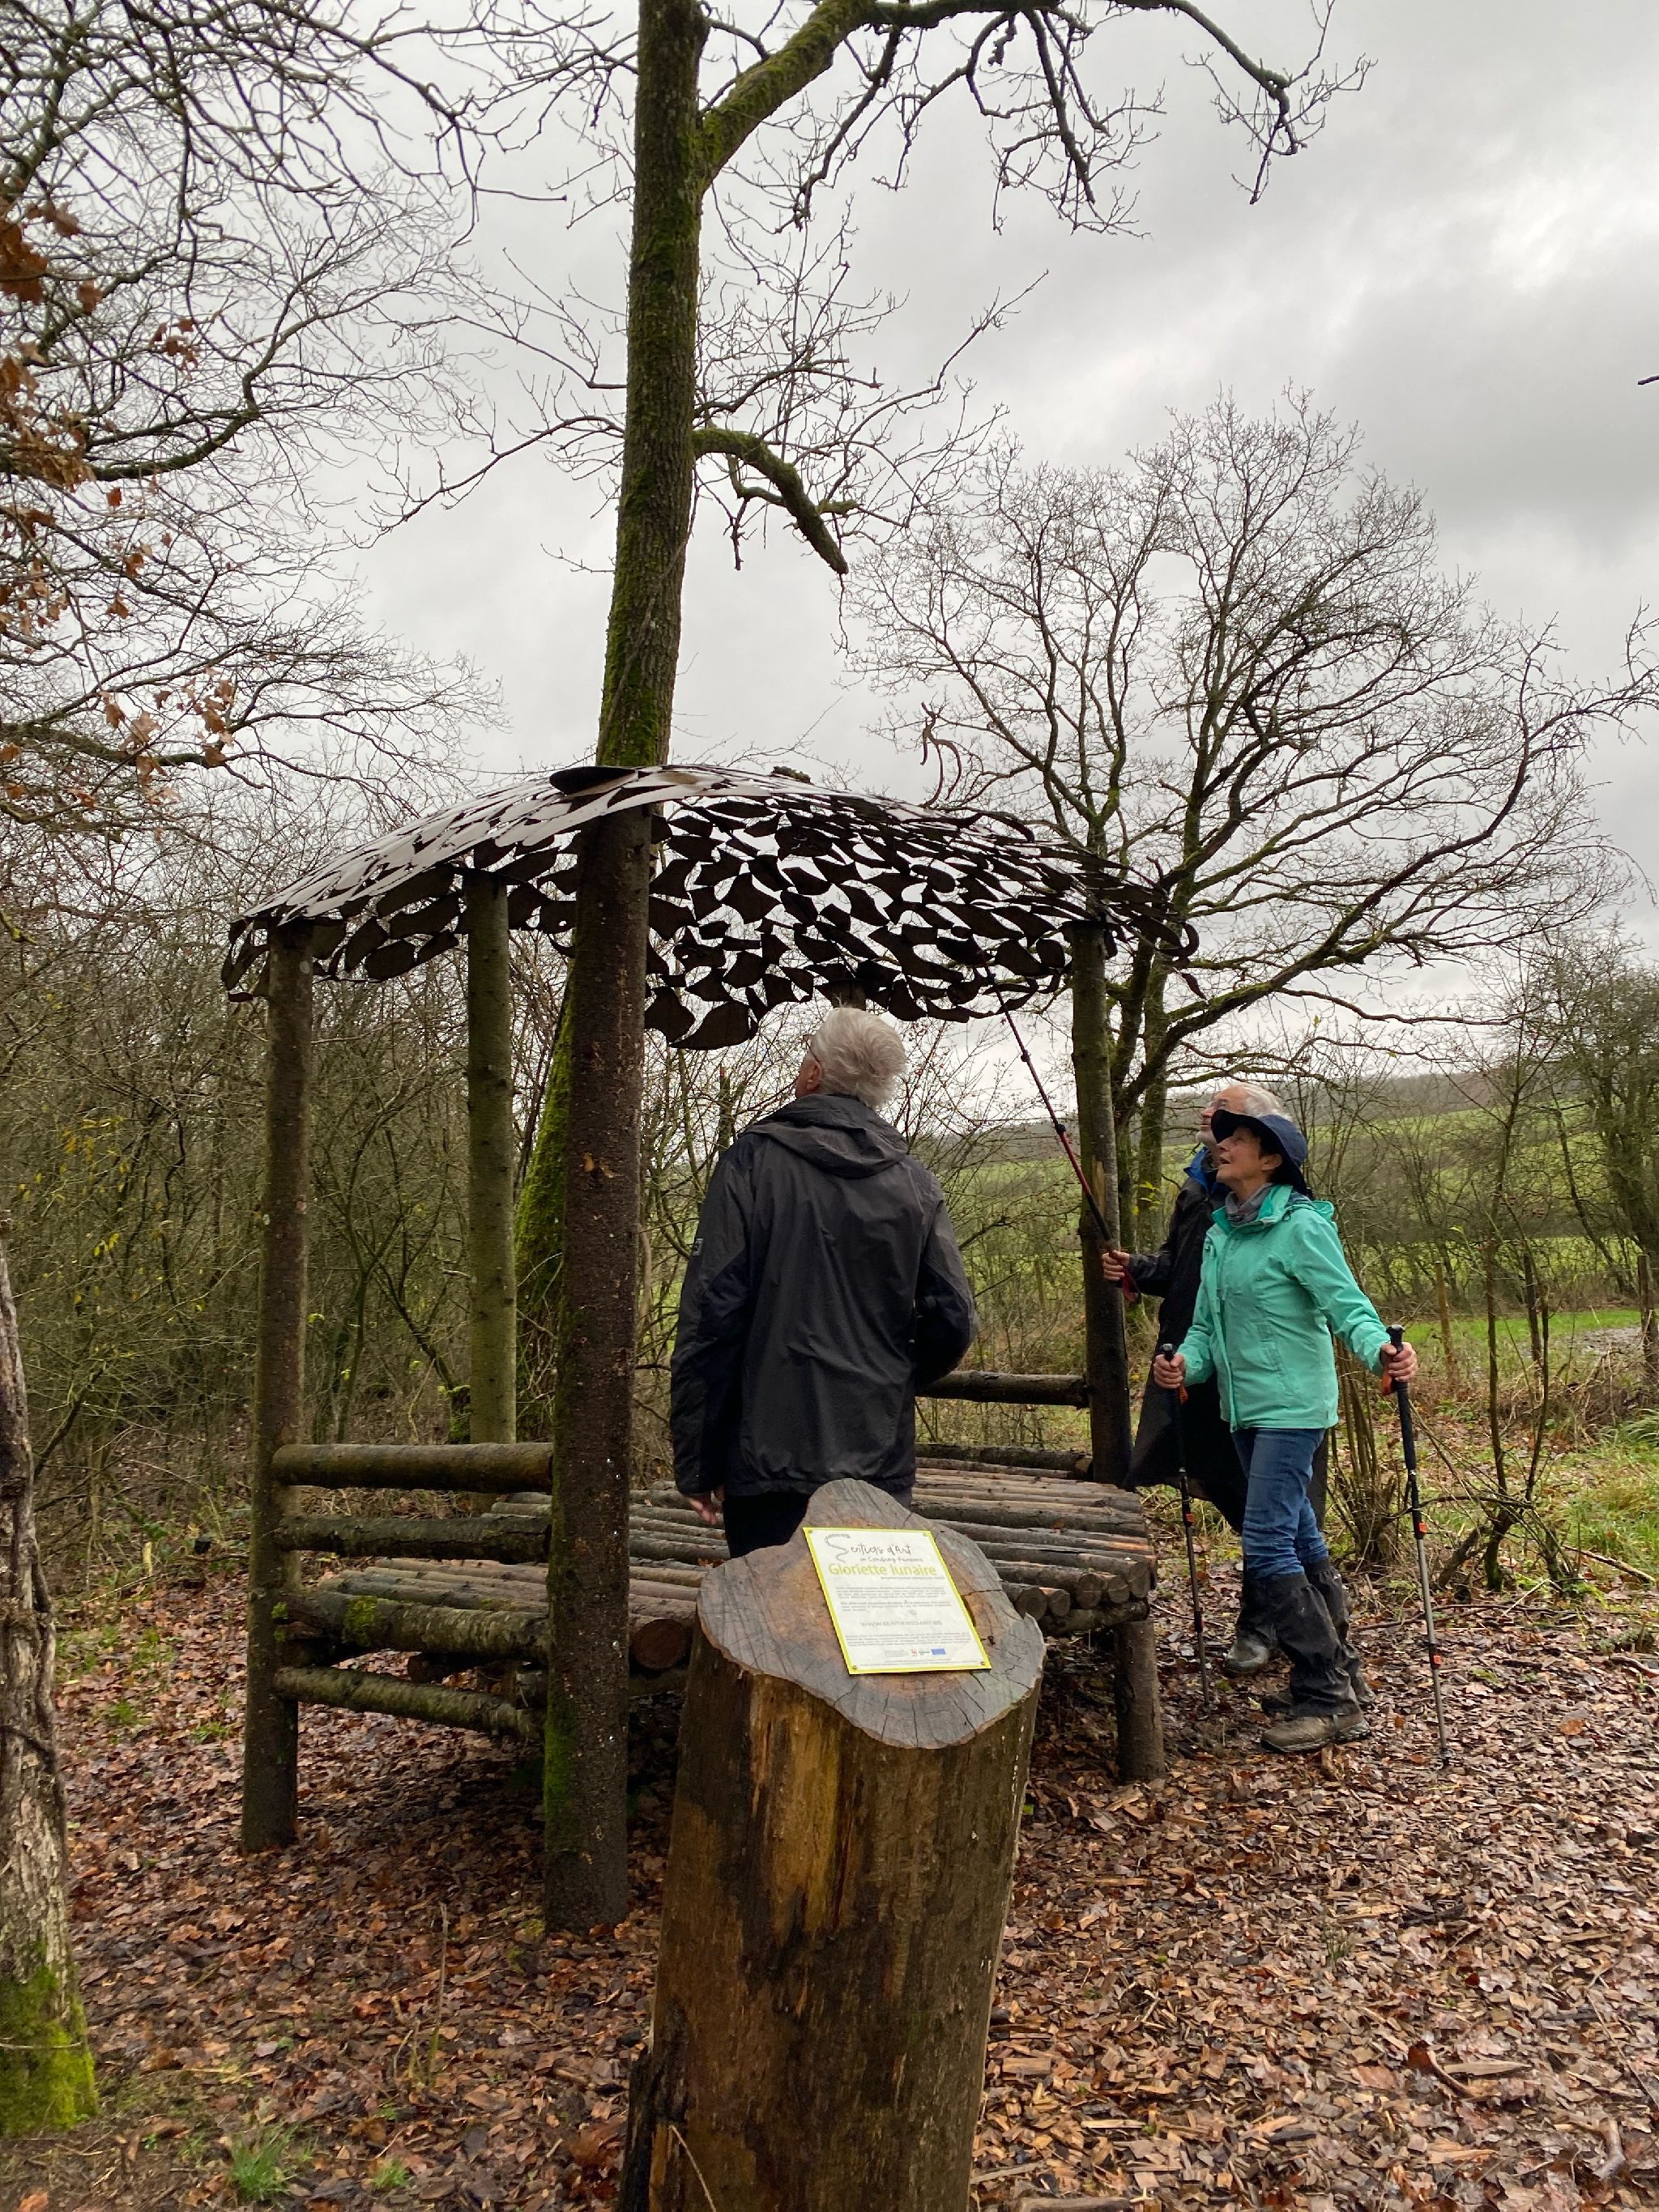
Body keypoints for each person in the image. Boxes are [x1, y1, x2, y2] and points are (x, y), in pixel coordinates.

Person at [1150, 1106, 1418, 1754]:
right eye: (1223, 1138)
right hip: (1244, 1410)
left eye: (1237, 1139)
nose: (1222, 1146)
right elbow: (1206, 1329)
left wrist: (1382, 1352)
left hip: (1293, 1407)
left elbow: (1346, 1306)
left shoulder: (1301, 1227)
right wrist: (1186, 1363)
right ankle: (1342, 1676)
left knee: (1268, 1542)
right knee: (1300, 1538)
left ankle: (1327, 1696)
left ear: (1270, 1159)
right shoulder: (1222, 1233)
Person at [672, 1007, 978, 1558]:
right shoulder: (914, 1182)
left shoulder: (750, 1165)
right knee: (869, 1609)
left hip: (766, 1463)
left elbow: (712, 1315)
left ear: (813, 1073)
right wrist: (892, 1375)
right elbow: (954, 1319)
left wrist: (699, 1460)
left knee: (770, 1609)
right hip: (876, 1457)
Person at [1102, 1083, 1328, 1678]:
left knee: (1271, 1512)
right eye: (1212, 1109)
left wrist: (1381, 1350)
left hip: (1267, 1384)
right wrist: (1138, 1269)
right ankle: (1322, 1647)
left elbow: (1336, 1300)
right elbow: (1182, 1269)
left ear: (1266, 1144)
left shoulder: (1281, 1208)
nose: (1209, 1114)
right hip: (1198, 1365)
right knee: (1237, 1494)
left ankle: (1278, 1634)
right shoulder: (1200, 1187)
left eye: (1227, 1114)